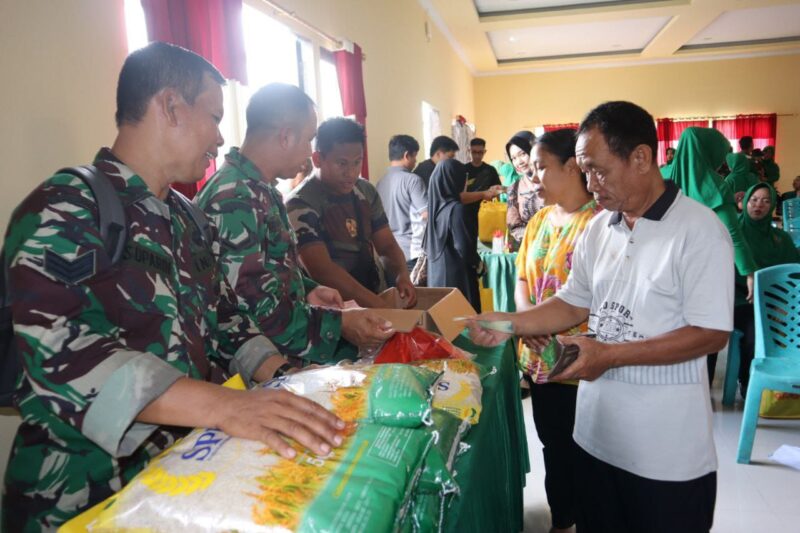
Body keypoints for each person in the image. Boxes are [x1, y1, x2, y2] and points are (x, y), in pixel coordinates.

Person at [1, 43, 344, 531]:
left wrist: (287, 381)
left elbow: (227, 323)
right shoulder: (67, 206)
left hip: (179, 480)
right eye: (214, 116)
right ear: (169, 106)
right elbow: (65, 354)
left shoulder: (188, 219)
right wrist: (224, 405)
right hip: (79, 497)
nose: (221, 136)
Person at [470, 101, 731, 533]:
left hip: (664, 453)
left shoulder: (697, 231)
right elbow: (574, 302)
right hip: (595, 438)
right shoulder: (600, 228)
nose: (590, 184)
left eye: (598, 170)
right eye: (585, 171)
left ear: (642, 158)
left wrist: (609, 355)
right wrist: (510, 324)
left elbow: (710, 333)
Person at [196, 83, 393, 365]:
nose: (308, 154)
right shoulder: (234, 199)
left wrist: (308, 288)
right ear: (286, 136)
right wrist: (339, 324)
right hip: (257, 371)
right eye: (308, 140)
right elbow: (251, 310)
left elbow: (268, 271)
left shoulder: (260, 191)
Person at [515, 128, 600, 533]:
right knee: (554, 448)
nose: (534, 178)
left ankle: (587, 518)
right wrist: (528, 319)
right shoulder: (539, 220)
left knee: (587, 453)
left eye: (541, 168)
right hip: (539, 362)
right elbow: (519, 280)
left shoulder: (599, 225)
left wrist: (542, 324)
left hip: (582, 362)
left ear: (571, 167)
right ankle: (561, 519)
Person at [287, 118, 416, 309]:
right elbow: (323, 271)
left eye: (357, 163)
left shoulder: (365, 191)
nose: (351, 173)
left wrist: (402, 275)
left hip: (373, 293)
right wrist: (378, 306)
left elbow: (386, 244)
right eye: (342, 164)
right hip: (334, 311)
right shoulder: (300, 203)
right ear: (317, 159)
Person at [666, 127, 758, 384]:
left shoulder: (662, 177)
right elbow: (733, 234)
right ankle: (701, 385)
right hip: (703, 274)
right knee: (702, 331)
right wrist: (748, 272)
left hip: (666, 273)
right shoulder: (713, 185)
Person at [734, 183, 800, 397]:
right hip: (740, 300)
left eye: (765, 200)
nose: (758, 205)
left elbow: (792, 277)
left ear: (772, 205)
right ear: (744, 203)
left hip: (774, 302)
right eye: (753, 200)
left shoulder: (781, 239)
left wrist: (784, 304)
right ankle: (749, 383)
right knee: (755, 335)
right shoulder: (734, 235)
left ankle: (788, 387)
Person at [427, 159, 483, 312]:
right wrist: (479, 264)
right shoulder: (457, 210)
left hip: (437, 280)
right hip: (458, 281)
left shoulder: (434, 210)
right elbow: (464, 248)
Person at [506, 130, 544, 248]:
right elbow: (514, 227)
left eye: (522, 154)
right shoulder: (514, 188)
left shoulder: (552, 179)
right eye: (514, 158)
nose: (519, 162)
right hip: (531, 249)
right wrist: (539, 241)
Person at [461, 138, 504, 237]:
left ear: (484, 152)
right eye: (474, 152)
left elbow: (498, 192)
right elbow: (460, 195)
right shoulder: (463, 169)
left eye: (480, 152)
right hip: (467, 214)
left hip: (486, 213)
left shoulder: (490, 170)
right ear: (469, 151)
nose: (477, 155)